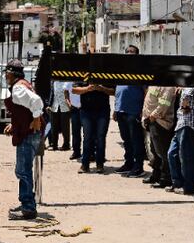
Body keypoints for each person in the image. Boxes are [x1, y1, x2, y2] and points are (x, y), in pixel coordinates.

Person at [2, 59, 44, 220]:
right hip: (28, 133)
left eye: (7, 73)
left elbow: (36, 101)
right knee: (23, 170)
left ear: (12, 73)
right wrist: (15, 125)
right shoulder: (21, 85)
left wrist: (36, 118)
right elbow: (25, 109)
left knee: (23, 171)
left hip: (29, 134)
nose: (5, 75)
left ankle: (28, 208)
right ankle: (26, 202)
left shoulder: (18, 88)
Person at [113, 45, 146, 176]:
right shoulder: (121, 71)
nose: (129, 53)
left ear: (137, 55)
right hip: (121, 110)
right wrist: (115, 109)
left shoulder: (140, 71)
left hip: (134, 111)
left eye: (132, 52)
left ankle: (138, 167)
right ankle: (129, 163)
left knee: (136, 140)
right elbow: (117, 91)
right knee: (126, 140)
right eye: (127, 51)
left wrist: (143, 110)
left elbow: (146, 91)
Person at [168, 86, 194, 195]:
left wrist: (184, 100)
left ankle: (189, 187)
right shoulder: (188, 86)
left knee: (186, 158)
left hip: (188, 125)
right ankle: (177, 183)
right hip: (181, 124)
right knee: (172, 153)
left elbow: (188, 102)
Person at [73, 78, 114, 173]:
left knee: (101, 137)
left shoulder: (105, 74)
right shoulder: (82, 75)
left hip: (102, 111)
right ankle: (85, 165)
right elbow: (74, 90)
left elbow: (113, 91)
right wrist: (87, 89)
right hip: (86, 111)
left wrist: (101, 88)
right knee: (87, 137)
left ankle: (100, 164)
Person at [142, 85, 177, 187]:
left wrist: (153, 116)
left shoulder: (168, 86)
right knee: (154, 151)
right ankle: (155, 175)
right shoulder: (155, 84)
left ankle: (166, 179)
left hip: (160, 122)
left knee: (162, 152)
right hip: (152, 121)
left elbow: (164, 104)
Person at [47, 79, 72, 151]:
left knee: (65, 127)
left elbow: (70, 93)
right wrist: (49, 105)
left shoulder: (67, 81)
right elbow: (52, 93)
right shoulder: (53, 81)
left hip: (65, 107)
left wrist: (71, 104)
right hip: (54, 107)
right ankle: (54, 145)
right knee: (54, 127)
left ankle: (66, 145)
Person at [68, 81, 83, 160]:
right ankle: (76, 152)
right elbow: (66, 91)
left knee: (88, 132)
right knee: (75, 132)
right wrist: (68, 103)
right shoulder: (70, 80)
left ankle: (89, 152)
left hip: (85, 108)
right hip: (74, 109)